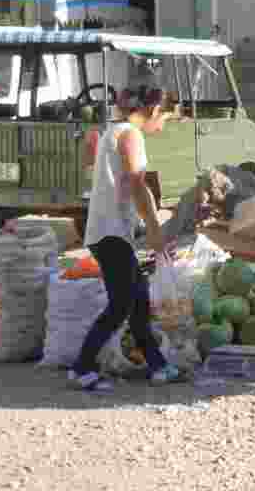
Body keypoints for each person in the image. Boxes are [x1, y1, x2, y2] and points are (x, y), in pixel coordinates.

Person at [69, 86, 183, 392]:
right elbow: (137, 184)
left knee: (138, 301)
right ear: (155, 110)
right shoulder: (130, 135)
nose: (163, 127)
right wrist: (155, 228)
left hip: (111, 231)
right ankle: (81, 367)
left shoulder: (114, 131)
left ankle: (159, 366)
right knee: (121, 305)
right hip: (110, 232)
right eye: (166, 119)